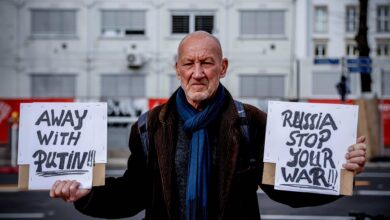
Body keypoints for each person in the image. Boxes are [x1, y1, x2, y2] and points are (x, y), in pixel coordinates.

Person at [50, 31, 367, 220]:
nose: (197, 72)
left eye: (207, 63)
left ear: (223, 67)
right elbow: (132, 194)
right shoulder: (149, 127)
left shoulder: (251, 122)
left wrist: (340, 174)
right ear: (178, 69)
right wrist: (86, 193)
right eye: (189, 63)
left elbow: (286, 188)